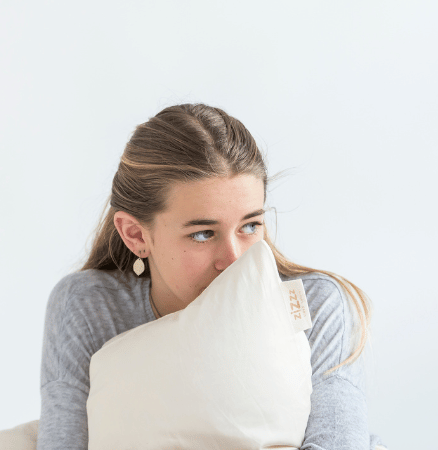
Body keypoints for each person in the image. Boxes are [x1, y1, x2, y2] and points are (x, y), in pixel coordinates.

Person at [38, 103, 386, 450]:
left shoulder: (316, 307)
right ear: (136, 235)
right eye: (203, 234)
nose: (234, 260)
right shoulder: (90, 308)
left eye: (250, 226)